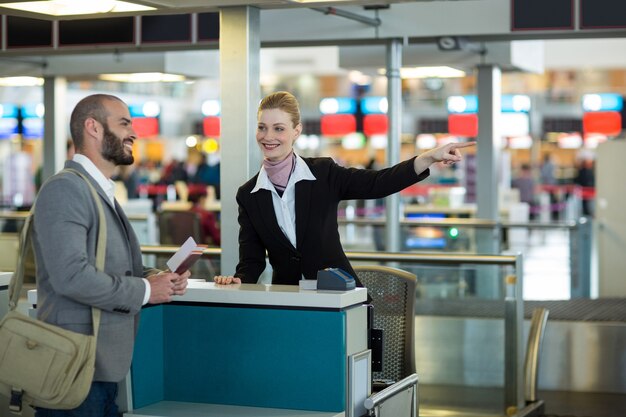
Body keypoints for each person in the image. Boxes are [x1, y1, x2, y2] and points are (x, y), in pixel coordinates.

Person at [32, 94, 190, 417]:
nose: (133, 133)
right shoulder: (65, 189)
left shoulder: (98, 189)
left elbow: (108, 265)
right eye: (124, 124)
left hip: (102, 369)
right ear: (92, 127)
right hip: (74, 370)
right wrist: (147, 291)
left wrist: (154, 277)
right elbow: (71, 276)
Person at [214, 91, 474, 286]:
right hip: (289, 301)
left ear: (296, 132)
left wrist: (428, 157)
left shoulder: (323, 173)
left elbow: (378, 183)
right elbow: (252, 260)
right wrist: (240, 279)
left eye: (278, 129)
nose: (268, 136)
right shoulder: (248, 194)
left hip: (339, 297)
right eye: (262, 127)